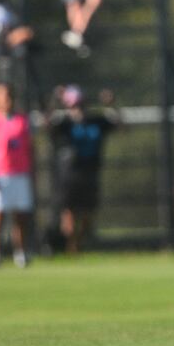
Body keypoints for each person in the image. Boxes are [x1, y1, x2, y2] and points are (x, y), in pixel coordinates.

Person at [49, 85, 118, 254]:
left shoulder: (96, 121)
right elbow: (48, 125)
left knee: (88, 215)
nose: (77, 109)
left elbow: (120, 125)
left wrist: (111, 105)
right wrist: (54, 102)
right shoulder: (64, 124)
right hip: (68, 176)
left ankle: (77, 245)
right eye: (73, 106)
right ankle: (70, 247)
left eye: (80, 105)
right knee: (69, 218)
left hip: (90, 174)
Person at [0, 83, 35, 268]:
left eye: (9, 96)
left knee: (20, 217)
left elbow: (30, 148)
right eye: (2, 96)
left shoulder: (22, 120)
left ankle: (21, 253)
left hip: (19, 174)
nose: (6, 100)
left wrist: (31, 172)